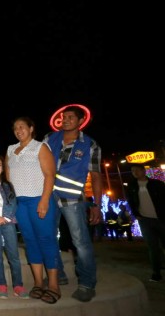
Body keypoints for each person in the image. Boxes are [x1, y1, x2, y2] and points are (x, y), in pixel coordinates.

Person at [43, 105, 103, 302]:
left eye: (70, 117)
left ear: (80, 121)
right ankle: (57, 274)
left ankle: (87, 283)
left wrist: (96, 204)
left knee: (81, 242)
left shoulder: (90, 145)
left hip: (73, 200)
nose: (65, 120)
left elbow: (95, 176)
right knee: (48, 236)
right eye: (63, 116)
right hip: (48, 195)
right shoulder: (50, 138)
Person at [6, 116, 60, 305]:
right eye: (15, 128)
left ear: (31, 128)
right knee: (29, 241)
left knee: (46, 239)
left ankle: (53, 284)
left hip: (39, 199)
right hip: (20, 203)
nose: (18, 130)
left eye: (22, 127)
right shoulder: (11, 149)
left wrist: (45, 200)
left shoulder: (40, 147)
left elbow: (50, 175)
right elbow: (8, 178)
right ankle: (38, 282)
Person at [0, 154, 29, 299]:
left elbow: (13, 202)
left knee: (14, 255)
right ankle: (2, 285)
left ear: (3, 168)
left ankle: (18, 285)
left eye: (0, 165)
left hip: (9, 222)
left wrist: (5, 217)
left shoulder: (8, 185)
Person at [126, 163, 165, 282]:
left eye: (137, 170)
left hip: (161, 219)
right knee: (152, 248)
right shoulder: (132, 186)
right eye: (133, 171)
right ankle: (156, 273)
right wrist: (136, 214)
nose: (135, 172)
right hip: (145, 221)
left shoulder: (156, 184)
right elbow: (131, 202)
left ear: (144, 171)